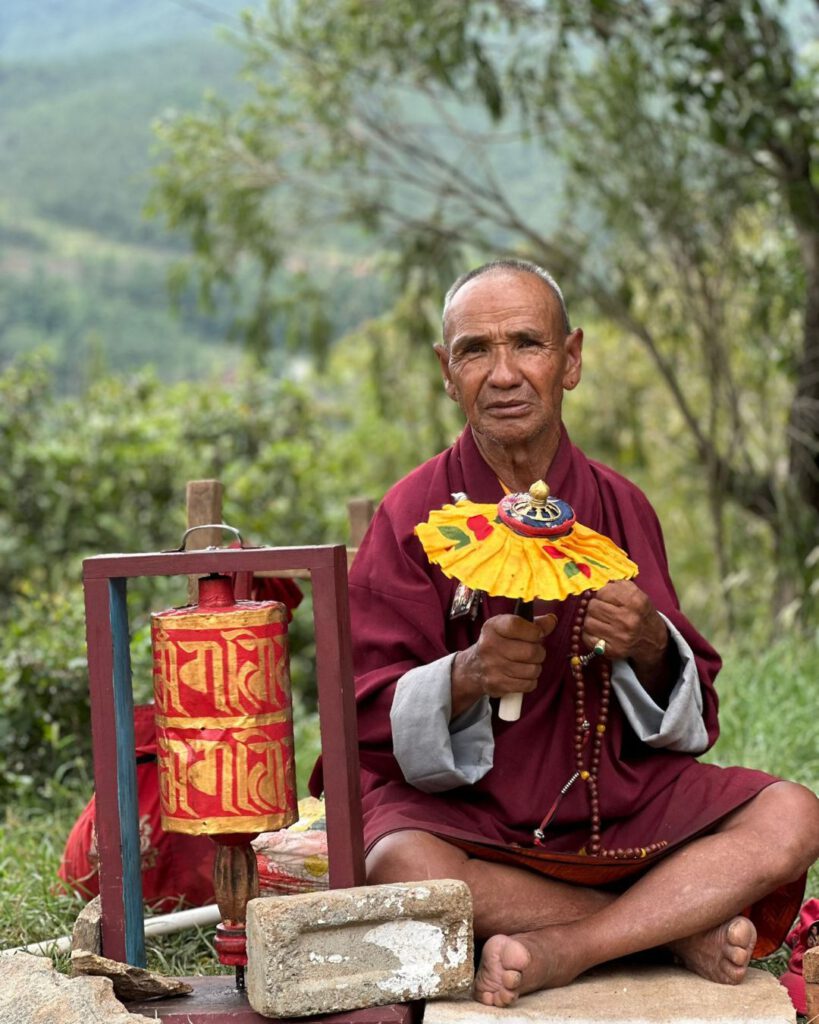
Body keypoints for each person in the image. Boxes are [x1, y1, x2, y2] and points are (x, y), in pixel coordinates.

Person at [344, 259, 819, 1008]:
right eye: (474, 350)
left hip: (615, 802)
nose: (502, 374)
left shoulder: (618, 504)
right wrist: (466, 674)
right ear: (446, 371)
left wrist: (647, 643)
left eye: (527, 344)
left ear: (570, 360)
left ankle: (572, 946)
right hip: (475, 820)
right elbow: (357, 718)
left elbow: (688, 705)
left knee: (792, 814)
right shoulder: (411, 515)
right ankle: (668, 931)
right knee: (402, 862)